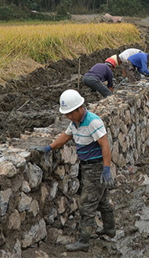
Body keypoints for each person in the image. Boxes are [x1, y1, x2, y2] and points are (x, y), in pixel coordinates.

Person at [31, 89, 116, 252]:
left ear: (80, 108)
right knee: (102, 200)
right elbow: (66, 136)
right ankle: (110, 229)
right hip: (87, 166)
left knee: (87, 205)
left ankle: (84, 241)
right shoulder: (75, 122)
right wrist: (48, 147)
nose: (68, 117)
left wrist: (106, 169)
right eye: (66, 114)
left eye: (71, 113)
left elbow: (105, 145)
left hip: (96, 167)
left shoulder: (93, 122)